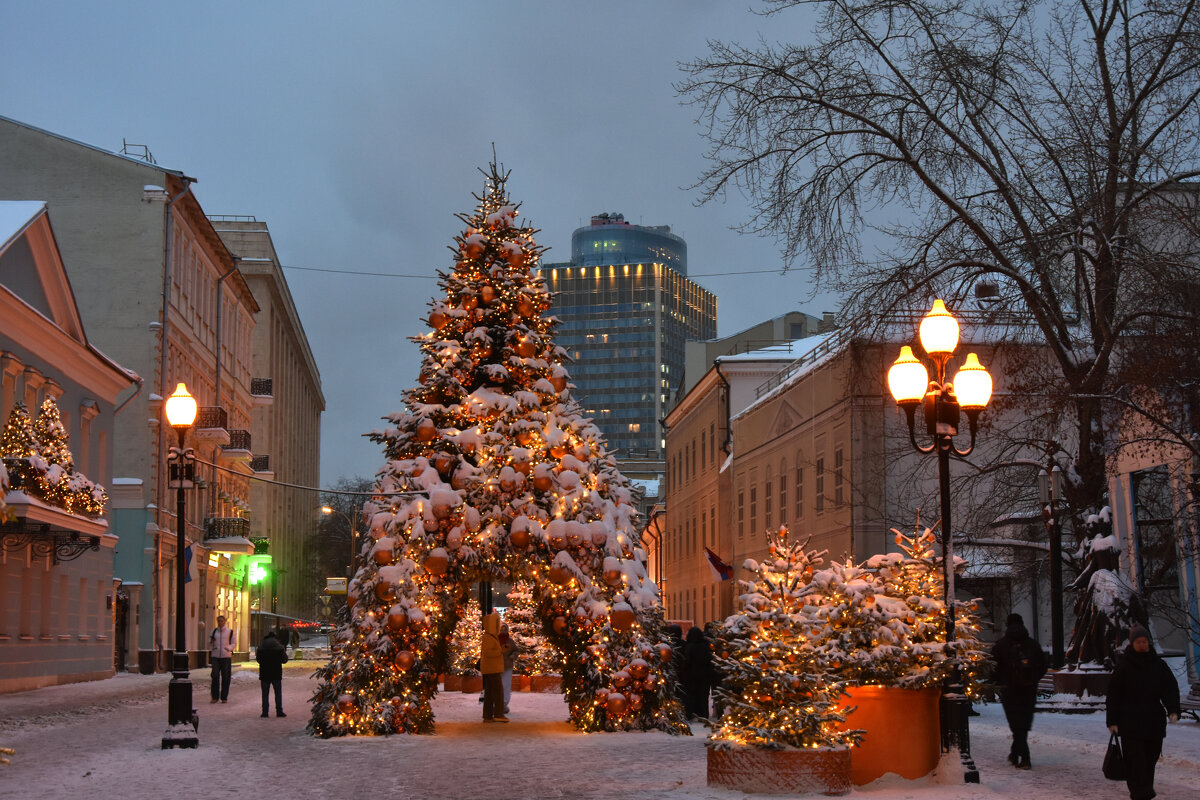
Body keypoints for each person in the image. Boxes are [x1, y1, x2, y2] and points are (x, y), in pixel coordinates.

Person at [1106, 624, 1181, 800]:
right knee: (1135, 761)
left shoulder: (1158, 665)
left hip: (1153, 722)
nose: (1142, 644)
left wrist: (1173, 709)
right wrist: (1113, 721)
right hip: (1130, 722)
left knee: (1149, 761)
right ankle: (1140, 794)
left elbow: (1169, 688)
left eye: (1144, 641)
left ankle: (1143, 790)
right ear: (1132, 644)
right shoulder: (1124, 667)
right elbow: (1114, 695)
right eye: (1138, 642)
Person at [991, 612, 1048, 769]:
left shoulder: (1001, 645)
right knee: (1023, 724)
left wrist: (997, 684)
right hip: (1028, 689)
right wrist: (1033, 679)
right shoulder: (1032, 644)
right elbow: (1043, 665)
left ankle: (1025, 758)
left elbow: (993, 667)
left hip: (1009, 689)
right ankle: (1015, 754)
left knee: (1016, 725)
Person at [681, 625, 715, 721]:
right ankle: (704, 714)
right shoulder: (706, 645)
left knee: (692, 695)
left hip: (692, 676)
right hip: (705, 675)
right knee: (704, 696)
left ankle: (692, 714)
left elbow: (687, 662)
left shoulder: (690, 646)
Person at [480, 611, 508, 722]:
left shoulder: (490, 636)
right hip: (492, 668)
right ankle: (498, 714)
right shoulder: (488, 637)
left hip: (491, 668)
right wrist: (500, 650)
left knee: (490, 693)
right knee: (497, 692)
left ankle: (488, 716)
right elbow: (488, 653)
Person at [255, 630, 289, 718]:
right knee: (278, 693)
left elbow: (258, 659)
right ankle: (279, 711)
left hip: (264, 673)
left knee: (265, 694)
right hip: (276, 673)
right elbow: (285, 660)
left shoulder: (261, 647)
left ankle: (265, 712)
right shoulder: (279, 647)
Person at [208, 615, 236, 704]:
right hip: (215, 656)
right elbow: (209, 643)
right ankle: (215, 697)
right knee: (215, 675)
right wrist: (211, 642)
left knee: (226, 677)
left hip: (226, 656)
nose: (220, 623)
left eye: (222, 621)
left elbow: (234, 643)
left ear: (225, 621)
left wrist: (228, 648)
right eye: (219, 621)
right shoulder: (214, 632)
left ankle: (224, 697)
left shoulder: (229, 632)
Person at [499, 622, 518, 714]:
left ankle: (504, 704)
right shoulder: (496, 641)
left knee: (506, 685)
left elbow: (516, 651)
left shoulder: (510, 641)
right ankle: (498, 704)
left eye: (504, 629)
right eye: (501, 629)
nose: (503, 631)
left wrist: (513, 656)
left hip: (507, 667)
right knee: (498, 686)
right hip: (497, 667)